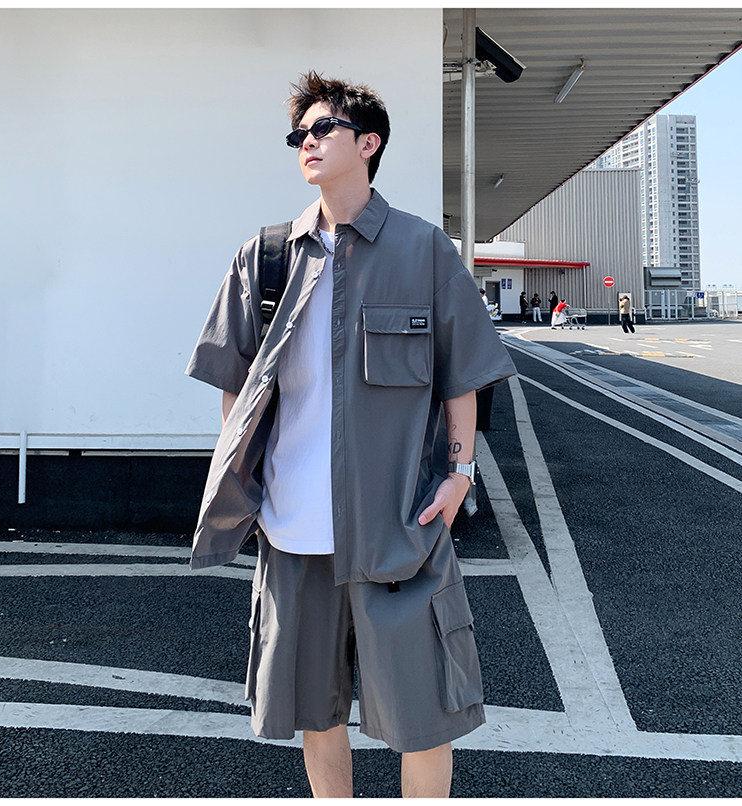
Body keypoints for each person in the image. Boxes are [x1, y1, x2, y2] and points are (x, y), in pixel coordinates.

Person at [185, 71, 516, 798]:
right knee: (317, 715)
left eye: (320, 129)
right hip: (293, 533)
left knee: (426, 718)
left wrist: (459, 475)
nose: (305, 142)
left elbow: (461, 378)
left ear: (368, 144)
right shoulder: (266, 258)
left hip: (400, 531)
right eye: (297, 134)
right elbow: (235, 383)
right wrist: (243, 484)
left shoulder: (424, 250)